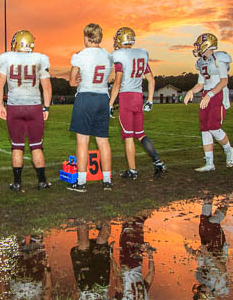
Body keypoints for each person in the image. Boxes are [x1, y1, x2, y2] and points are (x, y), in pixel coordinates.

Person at [0, 29, 53, 192]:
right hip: (34, 105)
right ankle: (42, 181)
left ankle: (17, 183)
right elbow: (47, 87)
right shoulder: (40, 60)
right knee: (36, 146)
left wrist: (0, 105)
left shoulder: (8, 59)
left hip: (14, 106)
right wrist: (46, 106)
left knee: (17, 146)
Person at [108, 27, 167, 179]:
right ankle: (158, 161)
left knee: (128, 136)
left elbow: (117, 83)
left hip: (126, 97)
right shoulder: (141, 54)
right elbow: (151, 80)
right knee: (140, 134)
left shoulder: (119, 55)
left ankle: (132, 170)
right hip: (138, 96)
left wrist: (110, 104)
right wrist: (149, 100)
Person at [67, 23, 114, 192]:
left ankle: (81, 182)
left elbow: (72, 82)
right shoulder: (108, 56)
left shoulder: (80, 55)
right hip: (103, 98)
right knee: (103, 141)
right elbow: (109, 78)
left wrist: (79, 78)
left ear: (86, 37)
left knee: (82, 141)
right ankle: (107, 181)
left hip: (85, 97)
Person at [183, 33, 233, 171]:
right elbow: (200, 83)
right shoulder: (202, 61)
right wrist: (191, 91)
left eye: (199, 44)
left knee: (213, 126)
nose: (197, 47)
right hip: (207, 93)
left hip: (217, 93)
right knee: (205, 129)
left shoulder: (219, 59)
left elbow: (224, 81)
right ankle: (209, 163)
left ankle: (228, 149)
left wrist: (210, 95)